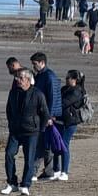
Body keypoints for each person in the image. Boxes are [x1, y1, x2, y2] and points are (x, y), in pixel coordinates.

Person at [1, 69, 49, 196]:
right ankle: (12, 183)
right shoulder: (13, 93)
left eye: (21, 78)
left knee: (29, 159)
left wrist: (40, 129)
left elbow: (45, 113)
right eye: (17, 78)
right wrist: (11, 124)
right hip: (15, 130)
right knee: (9, 154)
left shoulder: (37, 94)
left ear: (28, 80)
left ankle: (25, 184)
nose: (18, 80)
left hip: (31, 131)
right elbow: (9, 110)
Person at [29, 52, 64, 180]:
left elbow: (52, 97)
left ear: (42, 62)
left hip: (47, 116)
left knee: (43, 143)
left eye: (35, 64)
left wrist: (49, 116)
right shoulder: (41, 75)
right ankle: (49, 171)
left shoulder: (49, 76)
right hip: (43, 114)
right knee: (46, 144)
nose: (33, 66)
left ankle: (35, 172)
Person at [54, 70, 86, 181]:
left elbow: (64, 103)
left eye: (69, 78)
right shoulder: (64, 89)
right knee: (56, 145)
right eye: (66, 77)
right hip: (59, 120)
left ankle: (64, 172)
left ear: (75, 80)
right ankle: (56, 170)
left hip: (70, 122)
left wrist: (54, 108)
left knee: (64, 144)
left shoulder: (77, 91)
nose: (66, 79)